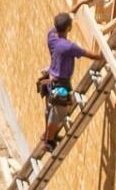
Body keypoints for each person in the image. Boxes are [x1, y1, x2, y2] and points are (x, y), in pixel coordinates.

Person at [39, 11, 95, 146]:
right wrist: (104, 57)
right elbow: (90, 55)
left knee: (50, 110)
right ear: (69, 28)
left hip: (51, 79)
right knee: (57, 114)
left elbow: (68, 13)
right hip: (60, 84)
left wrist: (82, 3)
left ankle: (46, 134)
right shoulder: (69, 47)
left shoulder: (52, 36)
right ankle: (49, 140)